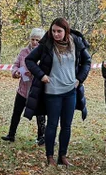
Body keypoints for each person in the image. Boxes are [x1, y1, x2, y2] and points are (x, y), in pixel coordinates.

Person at [24, 18, 92, 166]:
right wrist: (42, 75)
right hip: (52, 92)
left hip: (70, 91)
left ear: (66, 31)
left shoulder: (76, 42)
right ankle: (50, 157)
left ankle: (63, 156)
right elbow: (29, 60)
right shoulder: (46, 43)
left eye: (59, 31)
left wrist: (79, 79)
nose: (56, 34)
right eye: (53, 31)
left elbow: (87, 62)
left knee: (66, 125)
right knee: (52, 124)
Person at [3, 29, 46, 144]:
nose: (35, 42)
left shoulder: (44, 53)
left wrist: (35, 73)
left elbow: (47, 69)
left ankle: (42, 137)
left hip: (37, 89)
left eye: (37, 40)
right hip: (23, 88)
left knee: (40, 115)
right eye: (33, 39)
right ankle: (11, 134)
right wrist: (16, 72)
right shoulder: (23, 52)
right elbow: (16, 65)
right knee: (16, 112)